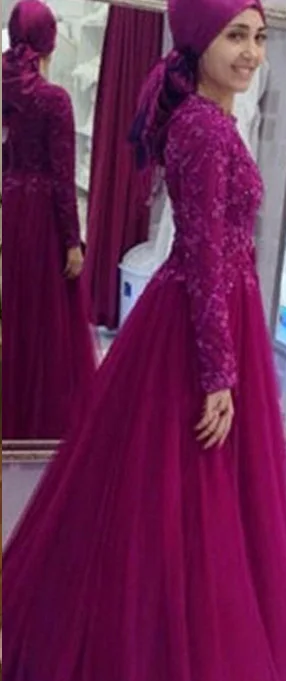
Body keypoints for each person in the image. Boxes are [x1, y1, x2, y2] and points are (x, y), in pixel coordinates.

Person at [2, 1, 286, 681]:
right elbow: (205, 255)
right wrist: (219, 373)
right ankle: (171, 672)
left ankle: (170, 652)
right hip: (200, 328)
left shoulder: (206, 117)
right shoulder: (205, 130)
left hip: (204, 317)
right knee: (186, 502)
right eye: (235, 36)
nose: (251, 52)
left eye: (257, 37)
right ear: (197, 39)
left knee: (175, 505)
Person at [2, 0, 97, 441]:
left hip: (13, 205)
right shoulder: (54, 100)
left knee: (18, 306)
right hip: (41, 213)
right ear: (49, 42)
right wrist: (72, 241)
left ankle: (14, 401)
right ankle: (43, 418)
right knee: (49, 314)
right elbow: (62, 178)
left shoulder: (6, 91)